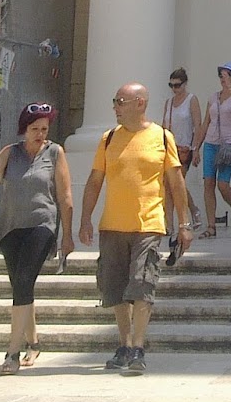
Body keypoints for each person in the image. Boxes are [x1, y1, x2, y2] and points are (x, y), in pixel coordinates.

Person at [77, 81, 193, 376]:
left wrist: (184, 224)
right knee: (115, 289)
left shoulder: (162, 137)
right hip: (112, 226)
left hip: (148, 225)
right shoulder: (108, 139)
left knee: (143, 284)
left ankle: (138, 347)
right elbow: (94, 181)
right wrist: (85, 218)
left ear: (140, 103)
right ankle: (125, 345)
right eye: (115, 101)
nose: (115, 107)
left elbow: (176, 182)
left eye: (120, 101)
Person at [0, 101, 74, 373]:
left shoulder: (55, 153)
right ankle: (34, 342)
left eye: (44, 129)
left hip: (42, 224)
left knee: (25, 280)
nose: (40, 134)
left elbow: (65, 196)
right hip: (11, 227)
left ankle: (12, 353)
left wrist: (67, 235)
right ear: (24, 129)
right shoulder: (10, 152)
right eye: (35, 129)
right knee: (20, 286)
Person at [195, 62, 231, 238]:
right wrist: (196, 147)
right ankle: (211, 226)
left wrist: (230, 89)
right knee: (208, 183)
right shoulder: (213, 97)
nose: (223, 79)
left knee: (223, 184)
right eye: (221, 76)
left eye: (226, 75)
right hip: (211, 143)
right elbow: (205, 123)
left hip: (228, 144)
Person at [162, 66, 202, 262]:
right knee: (168, 186)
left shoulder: (191, 100)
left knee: (177, 184)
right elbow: (164, 127)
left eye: (177, 85)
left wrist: (196, 148)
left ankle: (189, 213)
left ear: (184, 84)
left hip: (185, 148)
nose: (174, 89)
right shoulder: (169, 103)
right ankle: (170, 223)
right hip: (170, 148)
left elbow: (197, 124)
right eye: (171, 85)